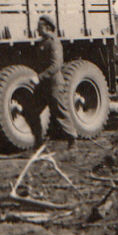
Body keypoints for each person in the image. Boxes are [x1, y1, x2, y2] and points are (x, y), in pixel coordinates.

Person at [28, 15, 75, 149]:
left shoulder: (54, 42)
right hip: (43, 85)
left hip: (54, 84)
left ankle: (72, 140)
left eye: (40, 27)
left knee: (60, 112)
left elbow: (56, 65)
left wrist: (39, 77)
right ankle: (38, 142)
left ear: (47, 27)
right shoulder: (43, 42)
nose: (37, 29)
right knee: (32, 110)